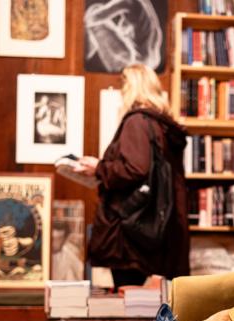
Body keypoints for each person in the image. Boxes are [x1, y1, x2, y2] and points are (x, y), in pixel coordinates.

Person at [75, 63, 189, 287]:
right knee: (144, 301)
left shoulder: (137, 121)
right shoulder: (161, 125)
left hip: (130, 232)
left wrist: (98, 168)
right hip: (154, 229)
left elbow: (136, 168)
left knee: (129, 301)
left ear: (132, 87)